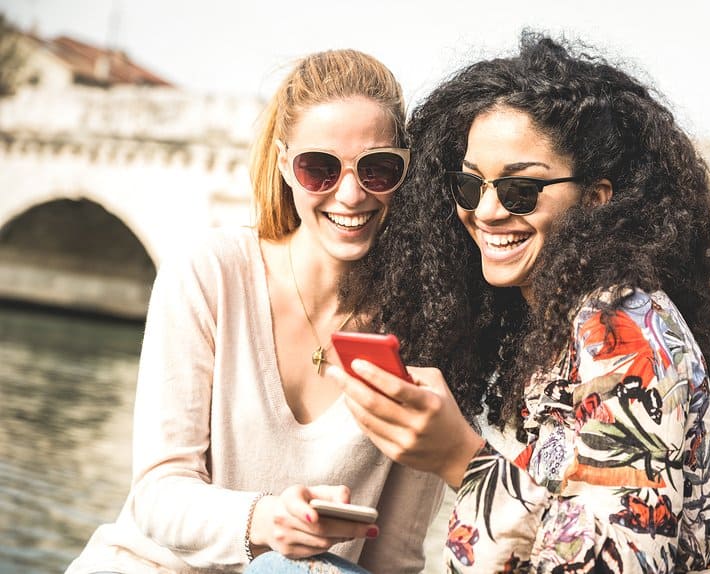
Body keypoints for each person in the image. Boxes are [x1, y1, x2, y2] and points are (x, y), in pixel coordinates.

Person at [330, 32, 710, 573]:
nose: (485, 212)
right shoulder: (558, 325)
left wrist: (460, 459)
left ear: (595, 200)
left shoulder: (623, 333)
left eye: (520, 191)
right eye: (469, 186)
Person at [66, 49, 444, 574]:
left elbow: (394, 558)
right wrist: (266, 520)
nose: (352, 194)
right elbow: (157, 494)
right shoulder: (210, 272)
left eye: (379, 168)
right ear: (287, 165)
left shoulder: (429, 327)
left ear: (405, 171)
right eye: (320, 169)